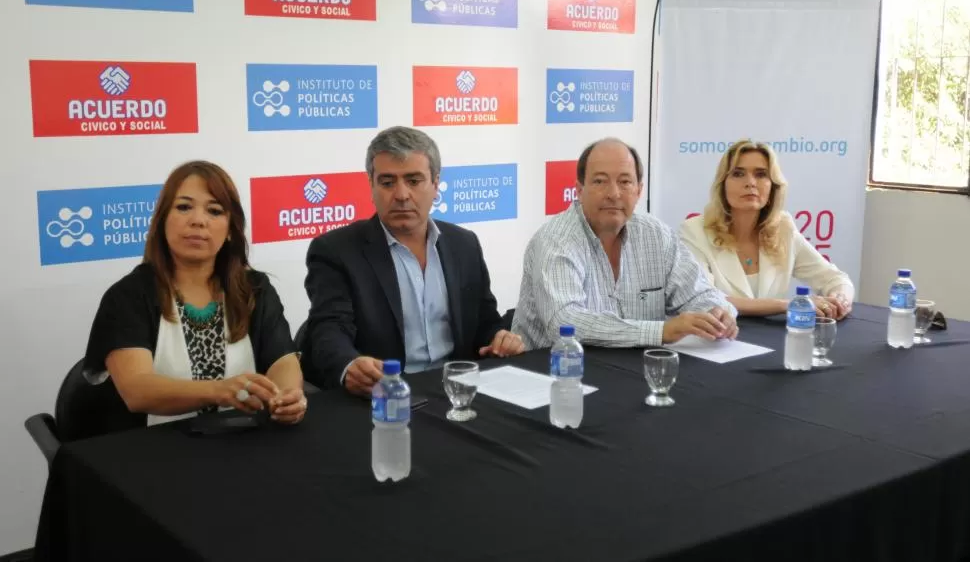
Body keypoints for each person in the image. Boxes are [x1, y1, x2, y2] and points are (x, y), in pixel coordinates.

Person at [84, 161, 306, 431]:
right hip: (154, 451)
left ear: (229, 230)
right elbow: (136, 389)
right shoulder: (128, 296)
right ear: (162, 220)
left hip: (243, 441)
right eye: (184, 207)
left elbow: (282, 358)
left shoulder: (255, 288)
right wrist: (219, 390)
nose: (198, 220)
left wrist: (286, 396)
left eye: (214, 211)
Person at [300, 126, 524, 395]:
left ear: (436, 183)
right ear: (371, 185)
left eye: (414, 180)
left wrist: (500, 338)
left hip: (457, 389)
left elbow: (484, 322)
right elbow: (329, 329)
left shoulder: (464, 244)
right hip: (386, 392)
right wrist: (349, 365)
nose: (402, 194)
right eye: (387, 182)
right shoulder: (335, 250)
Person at [512, 138, 737, 350]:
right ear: (580, 190)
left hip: (632, 368)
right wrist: (661, 331)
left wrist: (719, 313)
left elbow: (700, 294)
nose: (613, 193)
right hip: (555, 373)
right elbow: (565, 322)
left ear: (639, 191)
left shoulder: (656, 235)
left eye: (625, 182)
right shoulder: (556, 240)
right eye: (600, 181)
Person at [679, 139, 854, 319]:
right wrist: (785, 305)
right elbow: (703, 299)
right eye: (738, 174)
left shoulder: (783, 227)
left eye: (761, 174)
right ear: (723, 185)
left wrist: (840, 299)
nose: (750, 183)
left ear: (773, 187)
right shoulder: (694, 230)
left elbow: (835, 278)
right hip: (717, 338)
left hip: (773, 341)